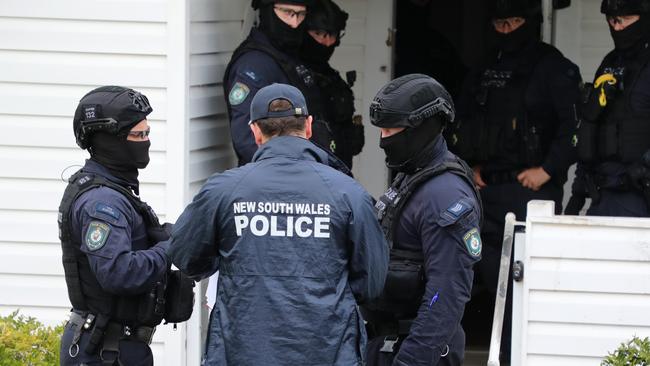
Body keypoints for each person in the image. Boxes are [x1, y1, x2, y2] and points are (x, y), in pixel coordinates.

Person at [168, 83, 389, 365]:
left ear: (256, 132)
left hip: (241, 352)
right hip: (328, 352)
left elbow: (185, 257)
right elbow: (371, 283)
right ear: (308, 127)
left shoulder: (223, 190)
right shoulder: (350, 194)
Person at [447, 0, 581, 356]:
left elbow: (575, 127)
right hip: (484, 188)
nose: (507, 30)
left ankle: (517, 356)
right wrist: (468, 169)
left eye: (515, 22)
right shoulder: (485, 67)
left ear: (531, 22)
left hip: (529, 191)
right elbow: (462, 123)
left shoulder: (553, 67)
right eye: (500, 23)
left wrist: (548, 170)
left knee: (525, 285)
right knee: (480, 279)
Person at [363, 74, 483, 366]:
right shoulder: (412, 174)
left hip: (418, 351)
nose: (383, 140)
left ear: (422, 128)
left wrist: (411, 361)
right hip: (388, 343)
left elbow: (446, 294)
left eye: (392, 129)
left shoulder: (444, 194)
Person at [58, 86, 172, 365]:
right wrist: (169, 249)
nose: (146, 142)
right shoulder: (102, 202)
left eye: (147, 134)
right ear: (109, 139)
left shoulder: (114, 190)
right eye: (138, 135)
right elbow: (118, 272)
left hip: (115, 347)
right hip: (104, 350)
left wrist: (159, 236)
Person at [567, 0, 650, 217]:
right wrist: (577, 194)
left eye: (625, 20)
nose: (618, 27)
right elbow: (590, 125)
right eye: (613, 21)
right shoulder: (609, 62)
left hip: (641, 194)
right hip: (602, 194)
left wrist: (642, 170)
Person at [224, 0, 333, 166]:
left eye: (301, 14)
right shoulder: (253, 64)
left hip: (306, 172)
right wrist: (289, 174)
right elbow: (247, 140)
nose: (295, 23)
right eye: (288, 13)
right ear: (269, 11)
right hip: (274, 179)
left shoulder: (288, 56)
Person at [300, 0, 365, 168]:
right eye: (320, 34)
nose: (327, 42)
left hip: (338, 171)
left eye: (333, 35)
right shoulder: (292, 73)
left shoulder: (332, 78)